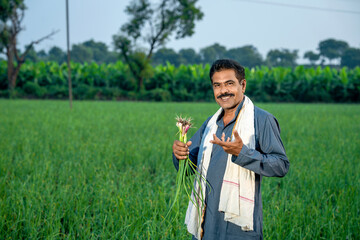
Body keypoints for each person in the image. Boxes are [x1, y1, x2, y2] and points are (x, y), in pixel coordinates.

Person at [172, 59, 289, 240]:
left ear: (242, 85)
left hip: (240, 226)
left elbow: (281, 165)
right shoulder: (210, 124)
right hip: (206, 223)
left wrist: (242, 153)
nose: (223, 91)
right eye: (217, 85)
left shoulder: (262, 120)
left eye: (229, 84)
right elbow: (187, 168)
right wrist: (179, 155)